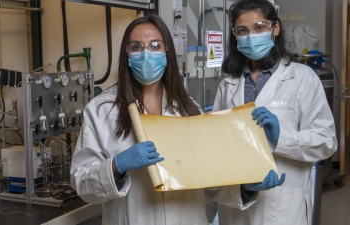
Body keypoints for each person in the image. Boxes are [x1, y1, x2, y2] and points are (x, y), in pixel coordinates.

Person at [70, 13, 284, 225]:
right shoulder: (101, 110)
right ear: (126, 54)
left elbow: (210, 179)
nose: (146, 54)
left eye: (155, 46)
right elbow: (81, 183)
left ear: (167, 52)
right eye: (136, 47)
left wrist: (246, 187)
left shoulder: (189, 109)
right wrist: (117, 166)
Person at [211, 0, 338, 224]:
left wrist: (282, 137)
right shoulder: (228, 84)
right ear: (235, 35)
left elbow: (326, 142)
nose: (250, 36)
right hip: (237, 201)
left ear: (275, 28)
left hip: (282, 206)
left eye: (259, 27)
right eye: (243, 31)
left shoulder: (303, 78)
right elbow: (219, 147)